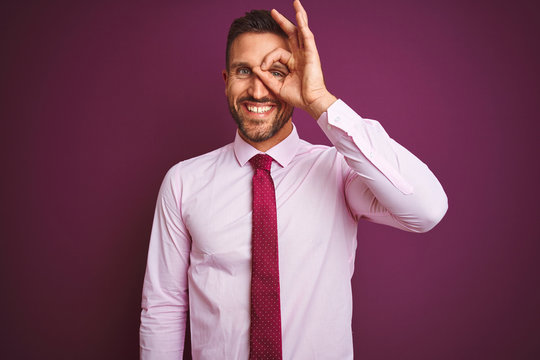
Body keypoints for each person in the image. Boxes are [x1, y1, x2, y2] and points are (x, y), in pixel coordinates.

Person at [139, 1, 448, 359]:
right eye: (244, 71)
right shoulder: (183, 182)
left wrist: (319, 100)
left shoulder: (339, 170)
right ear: (226, 82)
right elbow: (163, 307)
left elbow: (427, 209)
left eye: (276, 71)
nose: (259, 90)